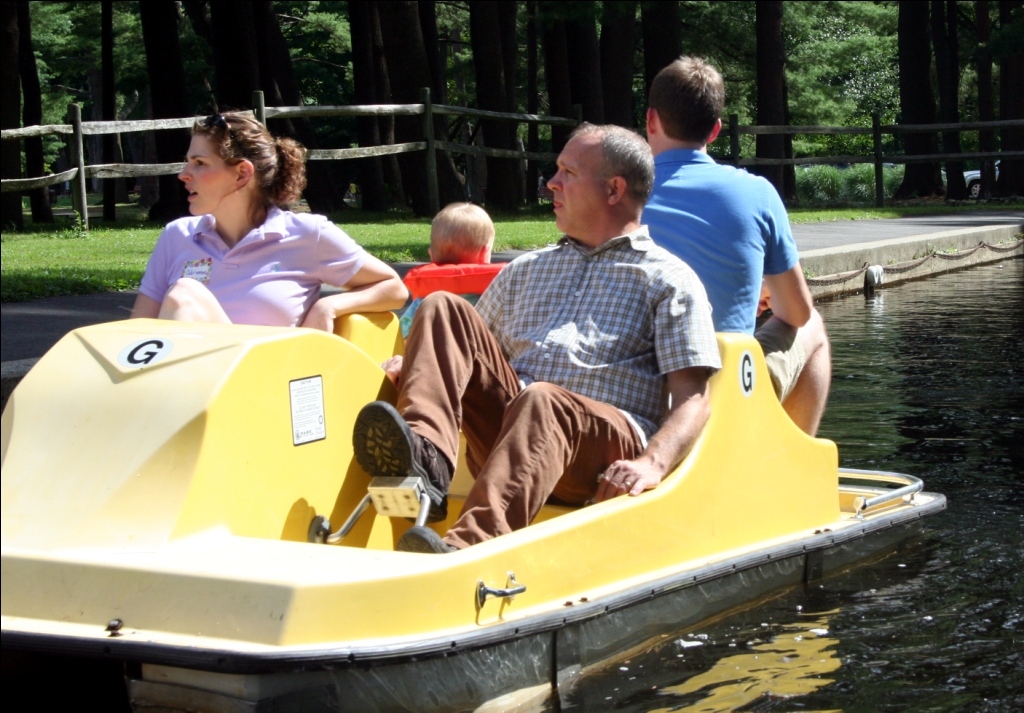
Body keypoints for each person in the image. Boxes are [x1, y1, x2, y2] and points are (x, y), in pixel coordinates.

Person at [352, 124, 721, 554]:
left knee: (543, 399)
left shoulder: (670, 279)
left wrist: (652, 463)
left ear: (614, 189)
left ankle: (467, 550)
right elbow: (467, 352)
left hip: (599, 451)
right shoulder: (526, 269)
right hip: (516, 430)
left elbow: (695, 400)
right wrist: (422, 363)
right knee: (441, 307)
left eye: (568, 172)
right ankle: (426, 461)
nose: (552, 183)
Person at [642, 57, 831, 436]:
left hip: (642, 389)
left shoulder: (621, 195)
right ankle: (788, 461)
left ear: (650, 120)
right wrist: (764, 294)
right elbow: (796, 312)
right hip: (723, 389)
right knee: (813, 327)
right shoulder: (757, 192)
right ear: (715, 131)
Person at [130, 113, 406, 331]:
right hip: (186, 387)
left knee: (185, 295)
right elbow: (138, 332)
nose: (184, 174)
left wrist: (329, 306)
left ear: (241, 174)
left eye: (199, 163)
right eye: (188, 162)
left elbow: (393, 288)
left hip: (267, 389)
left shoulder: (307, 234)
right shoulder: (176, 236)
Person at [397, 202, 504, 339]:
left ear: (432, 255)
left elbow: (404, 336)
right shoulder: (494, 299)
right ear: (485, 253)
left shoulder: (423, 302)